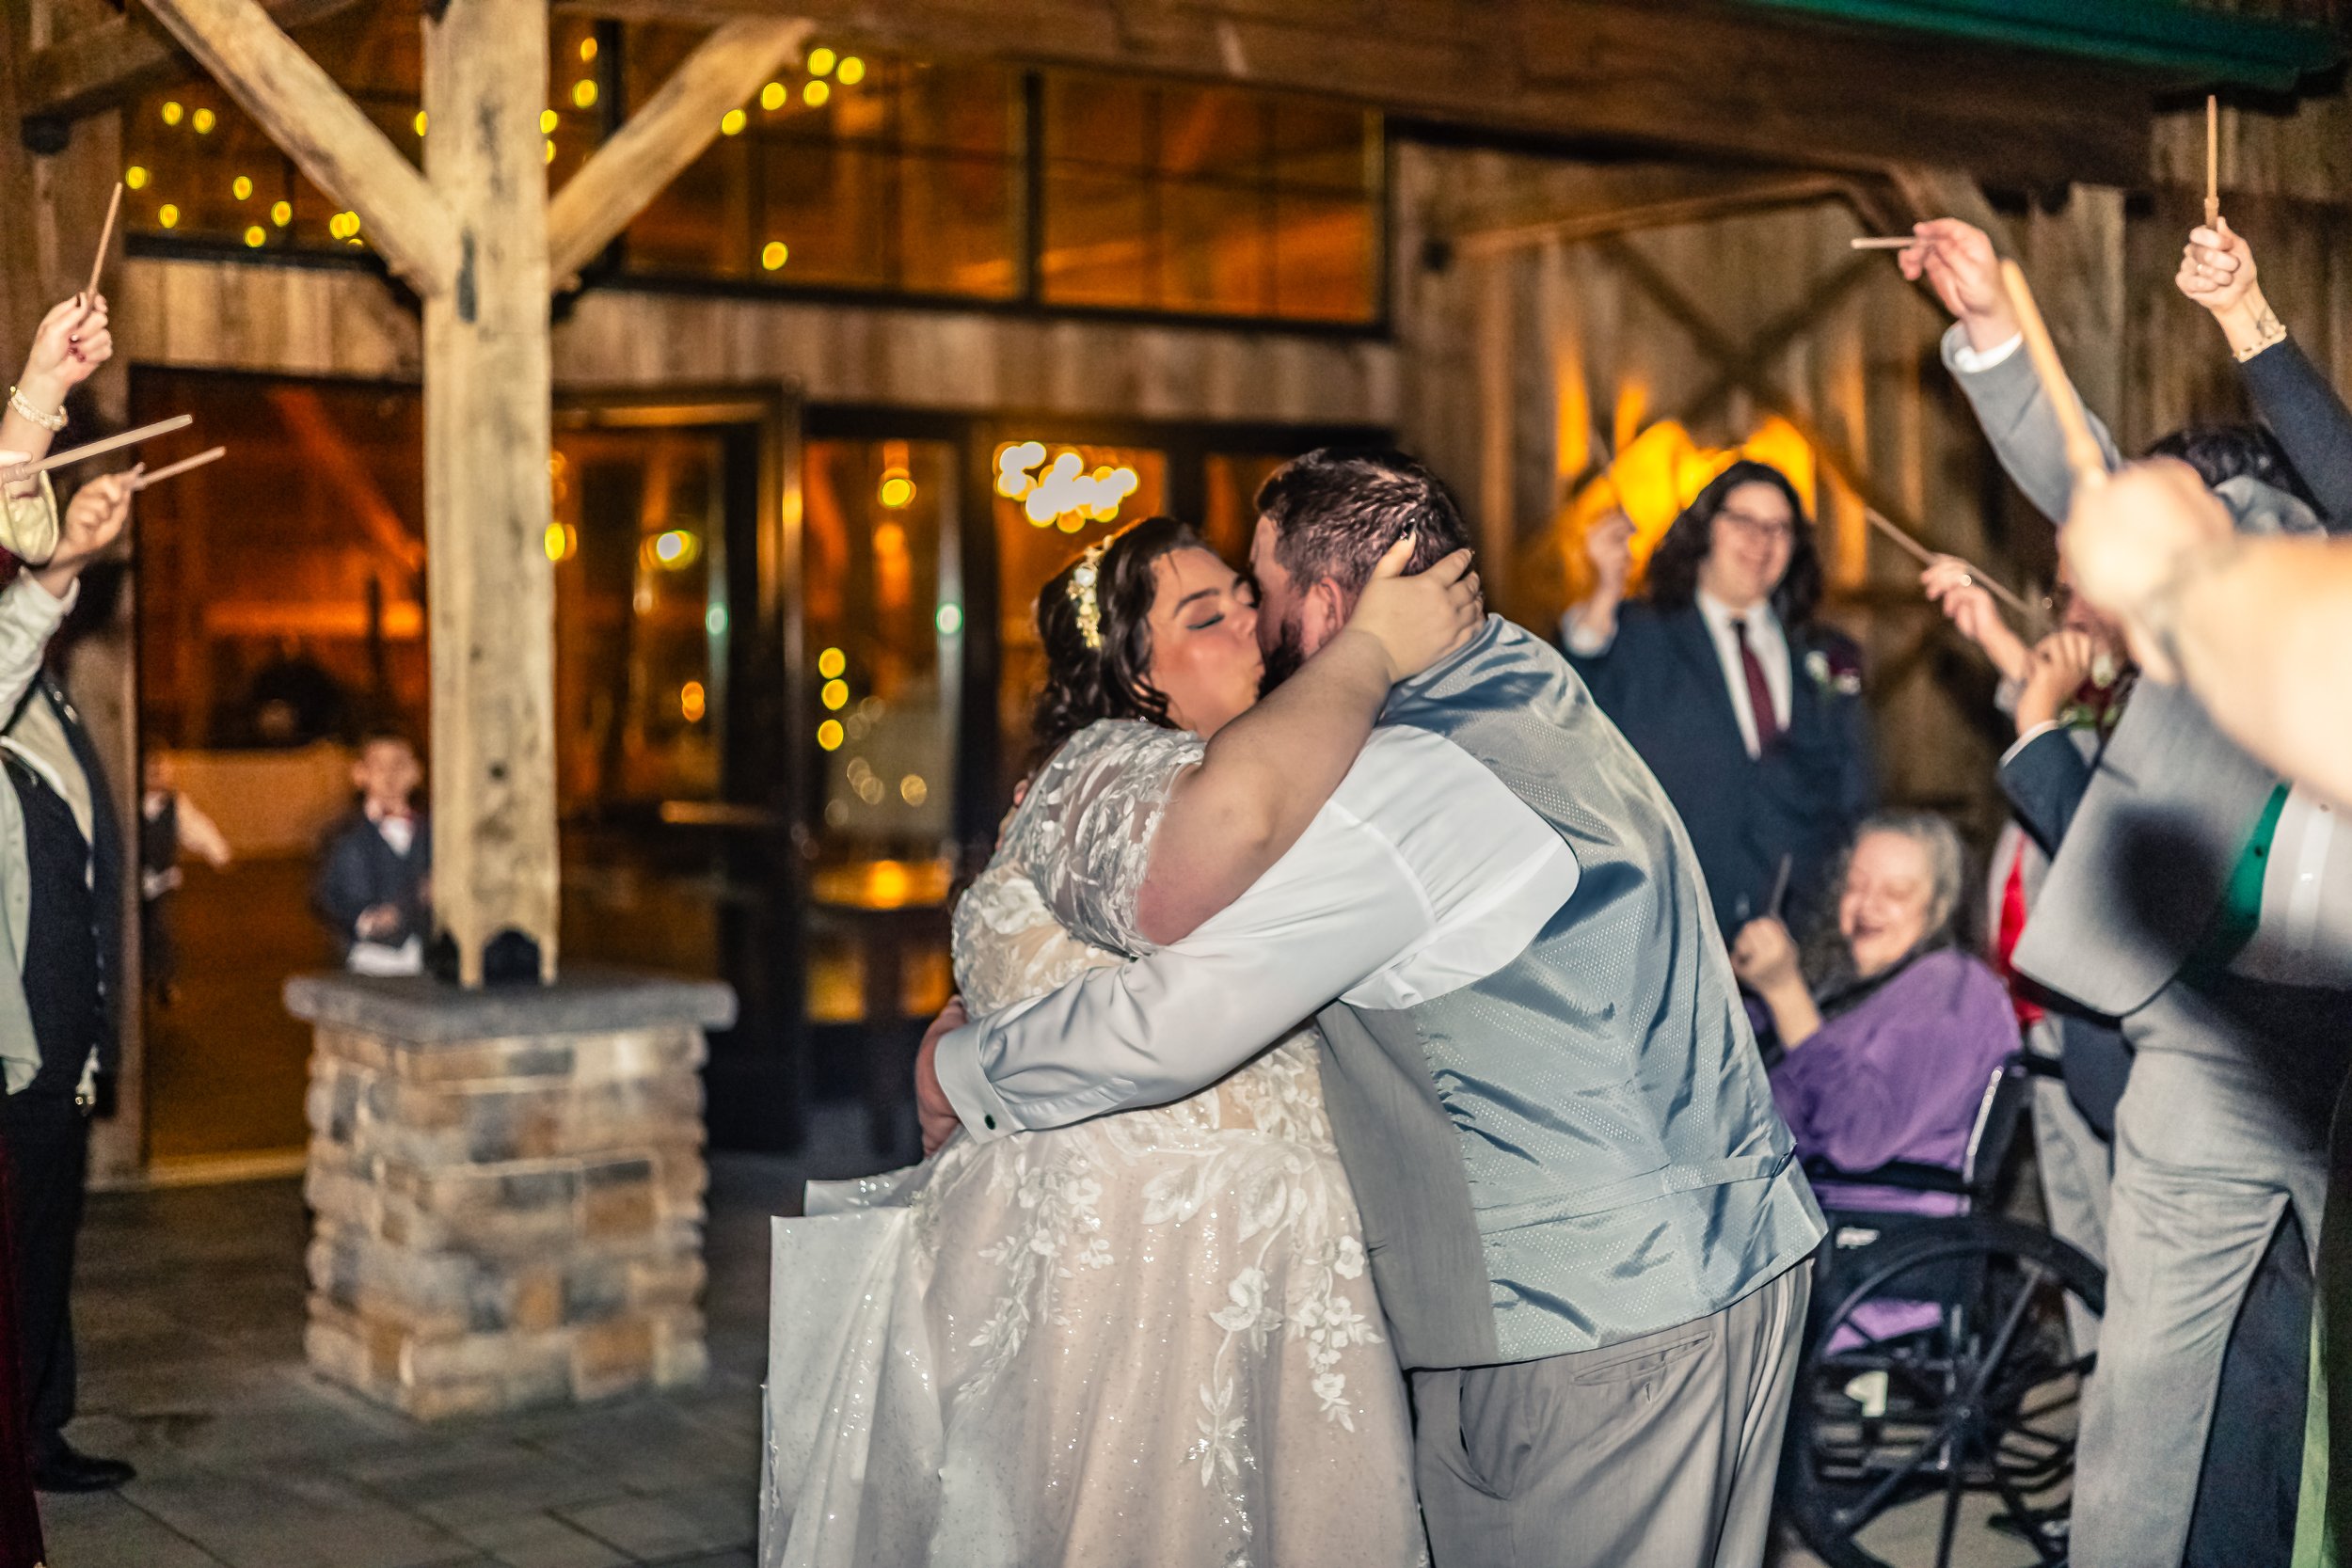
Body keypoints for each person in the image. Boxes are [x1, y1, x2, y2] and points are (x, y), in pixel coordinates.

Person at [922, 449, 1826, 1568]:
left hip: (1592, 1322)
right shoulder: (1531, 681)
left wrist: (961, 1071)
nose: (1256, 623)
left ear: (1339, 608)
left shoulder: (1401, 784)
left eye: (1261, 590)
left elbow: (1171, 1020)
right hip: (1741, 1262)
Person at [761, 514, 1483, 1567]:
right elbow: (1179, 889)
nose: (1248, 619)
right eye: (1205, 616)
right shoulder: (1108, 764)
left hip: (1270, 1271)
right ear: (1136, 679)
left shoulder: (1295, 770)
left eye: (1245, 595)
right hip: (1137, 1277)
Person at [1902, 214, 2352, 1568]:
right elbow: (2087, 474)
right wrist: (1993, 323)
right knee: (2143, 1396)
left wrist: (2256, 325)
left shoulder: (2297, 572)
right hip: (2204, 1035)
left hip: (2345, 1061)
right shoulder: (2196, 577)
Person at [1561, 462, 1874, 936]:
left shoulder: (1828, 654)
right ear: (1705, 529)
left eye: (1779, 529)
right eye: (1743, 522)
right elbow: (1567, 711)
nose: (1761, 541)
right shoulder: (1641, 635)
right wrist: (1604, 591)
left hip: (1801, 931)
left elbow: (1855, 789)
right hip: (1671, 924)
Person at [312, 733, 431, 976]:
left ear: (416, 772)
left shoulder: (435, 833)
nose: (390, 775)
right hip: (366, 960)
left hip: (427, 960)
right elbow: (324, 894)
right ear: (359, 774)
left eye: (399, 764)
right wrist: (364, 919)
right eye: (378, 766)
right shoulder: (342, 835)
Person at [139, 751, 231, 1006]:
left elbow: (196, 827)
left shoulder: (175, 804)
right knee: (138, 931)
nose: (156, 777)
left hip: (163, 881)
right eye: (150, 771)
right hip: (133, 883)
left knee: (162, 929)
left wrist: (218, 851)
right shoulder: (128, 803)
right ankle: (142, 976)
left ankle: (167, 979)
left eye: (161, 771)